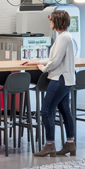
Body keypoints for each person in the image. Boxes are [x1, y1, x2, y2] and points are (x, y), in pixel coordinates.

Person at [33, 10, 76, 157]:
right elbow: (55, 58)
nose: (50, 22)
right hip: (67, 79)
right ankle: (70, 144)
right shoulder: (66, 36)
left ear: (56, 22)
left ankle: (50, 145)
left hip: (59, 79)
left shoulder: (63, 38)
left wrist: (43, 69)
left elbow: (55, 61)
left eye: (50, 20)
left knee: (46, 110)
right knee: (65, 111)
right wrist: (37, 61)